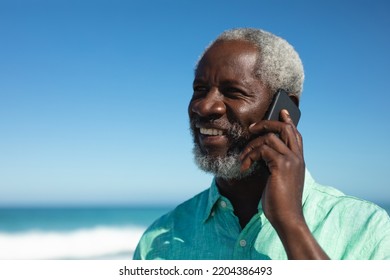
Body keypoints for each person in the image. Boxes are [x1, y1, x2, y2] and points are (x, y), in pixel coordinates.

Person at [133, 28, 390, 260]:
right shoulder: (157, 241)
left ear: (283, 110)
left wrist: (290, 223)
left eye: (233, 92)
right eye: (199, 89)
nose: (204, 106)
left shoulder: (368, 229)